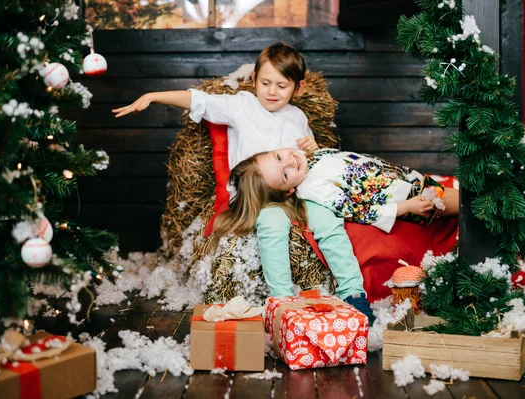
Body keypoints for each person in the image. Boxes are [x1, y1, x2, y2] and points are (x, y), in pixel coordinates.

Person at [112, 43, 375, 323]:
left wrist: (312, 145)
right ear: (253, 80)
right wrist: (153, 96)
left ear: (297, 89)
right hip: (256, 196)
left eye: (282, 86)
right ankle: (282, 301)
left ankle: (353, 292)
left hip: (291, 193)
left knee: (328, 220)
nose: (272, 92)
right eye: (265, 83)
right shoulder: (241, 106)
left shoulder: (298, 117)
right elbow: (199, 100)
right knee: (272, 223)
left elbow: (304, 161)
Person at [215, 147, 459, 236]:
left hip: (404, 178)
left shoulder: (310, 161)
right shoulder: (315, 190)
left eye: (279, 156)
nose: (289, 162)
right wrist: (407, 208)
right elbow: (359, 211)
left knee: (460, 194)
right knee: (465, 204)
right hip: (410, 198)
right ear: (288, 191)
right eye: (285, 174)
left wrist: (317, 150)